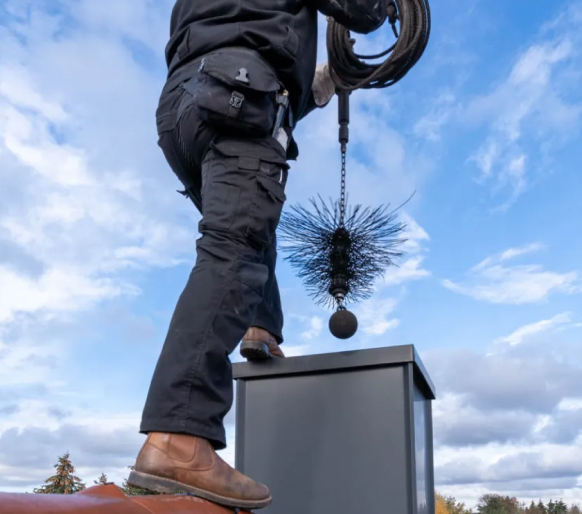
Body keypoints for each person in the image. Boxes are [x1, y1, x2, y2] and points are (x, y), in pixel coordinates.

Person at [128, 0, 388, 510]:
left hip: (187, 106)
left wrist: (324, 80)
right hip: (237, 95)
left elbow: (248, 36)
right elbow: (363, 10)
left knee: (247, 227)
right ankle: (178, 437)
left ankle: (260, 328)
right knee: (235, 246)